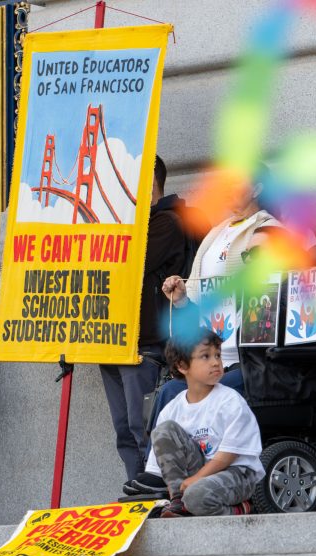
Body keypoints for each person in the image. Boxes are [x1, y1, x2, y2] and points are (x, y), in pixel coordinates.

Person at [126, 170, 283, 495]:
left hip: (248, 359)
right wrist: (182, 299)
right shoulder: (216, 234)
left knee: (208, 390)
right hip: (210, 352)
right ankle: (161, 475)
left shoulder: (270, 230)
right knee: (169, 392)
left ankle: (185, 480)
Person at [99, 156, 186, 482]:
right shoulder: (133, 224)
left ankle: (159, 488)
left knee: (142, 424)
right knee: (124, 429)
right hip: (111, 338)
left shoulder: (166, 223)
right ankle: (138, 487)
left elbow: (127, 264)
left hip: (144, 341)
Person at [145, 328, 264, 517]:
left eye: (218, 355)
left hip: (237, 474)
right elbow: (163, 466)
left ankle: (241, 509)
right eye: (205, 356)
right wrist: (182, 486)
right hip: (199, 477)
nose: (216, 362)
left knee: (196, 495)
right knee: (162, 431)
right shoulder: (172, 408)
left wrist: (196, 479)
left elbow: (228, 456)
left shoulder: (231, 401)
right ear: (183, 365)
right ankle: (178, 502)